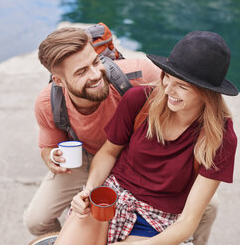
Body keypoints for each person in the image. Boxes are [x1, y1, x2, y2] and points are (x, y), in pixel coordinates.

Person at [24, 27, 219, 245]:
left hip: (130, 154)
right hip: (84, 158)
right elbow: (48, 147)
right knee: (36, 220)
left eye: (96, 62)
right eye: (81, 72)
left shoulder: (140, 75)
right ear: (58, 81)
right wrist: (54, 158)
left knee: (209, 206)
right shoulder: (47, 103)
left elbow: (191, 87)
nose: (96, 74)